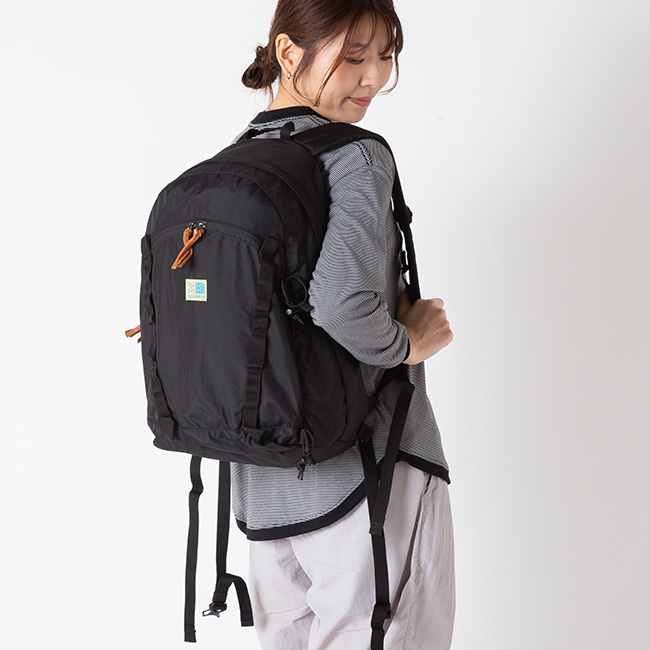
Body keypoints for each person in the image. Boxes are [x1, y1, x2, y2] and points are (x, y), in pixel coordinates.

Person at [230, 2, 455, 648]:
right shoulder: (356, 156)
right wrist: (409, 342)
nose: (374, 77)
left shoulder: (239, 158)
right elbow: (337, 303)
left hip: (263, 492)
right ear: (288, 53)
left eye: (385, 56)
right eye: (354, 57)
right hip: (370, 475)